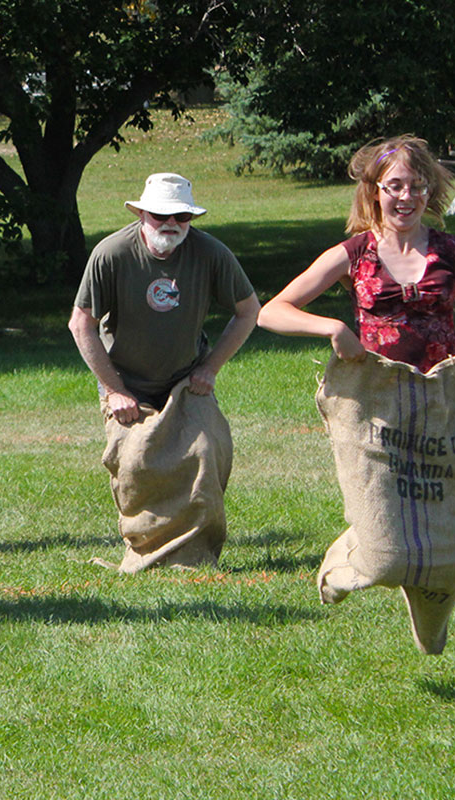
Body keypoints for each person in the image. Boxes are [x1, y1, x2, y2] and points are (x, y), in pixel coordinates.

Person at [257, 134, 455, 653]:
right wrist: (330, 327)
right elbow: (271, 311)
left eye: (416, 185)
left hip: (444, 406)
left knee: (452, 549)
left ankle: (431, 626)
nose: (405, 197)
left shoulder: (454, 251)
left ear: (429, 190)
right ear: (374, 191)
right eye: (394, 186)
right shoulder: (353, 254)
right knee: (386, 550)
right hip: (378, 408)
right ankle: (344, 563)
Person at [68, 173, 260, 572]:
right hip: (126, 381)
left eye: (181, 217)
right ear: (141, 214)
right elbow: (81, 324)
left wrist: (210, 368)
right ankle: (145, 551)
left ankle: (195, 556)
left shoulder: (210, 253)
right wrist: (114, 390)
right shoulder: (111, 253)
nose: (171, 224)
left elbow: (248, 311)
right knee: (135, 462)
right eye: (160, 215)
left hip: (185, 379)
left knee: (207, 452)